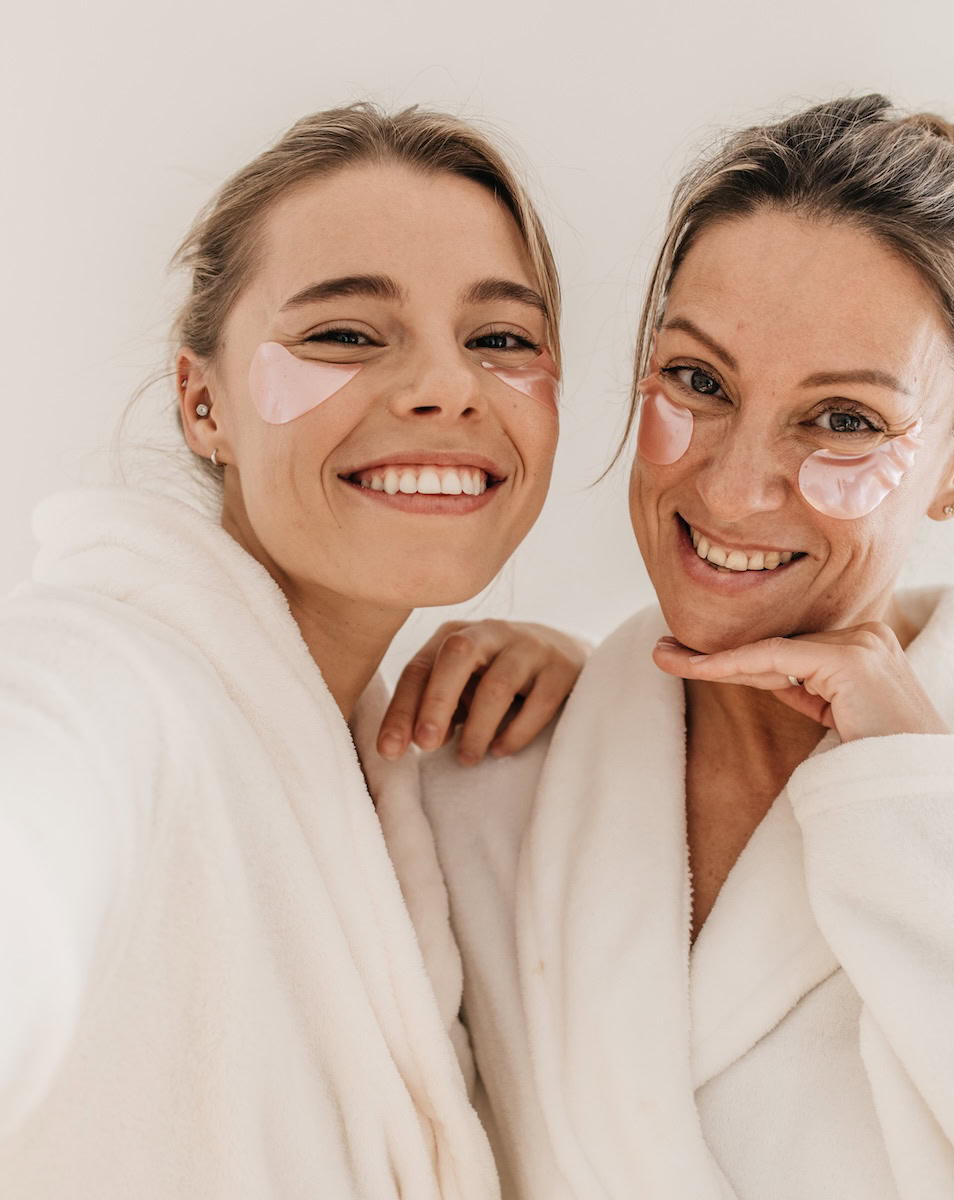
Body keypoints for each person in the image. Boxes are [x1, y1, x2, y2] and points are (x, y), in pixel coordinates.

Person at [401, 94, 954, 1198]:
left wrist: (922, 784)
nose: (731, 488)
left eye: (844, 421)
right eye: (698, 382)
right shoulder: (494, 773)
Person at [0, 102, 586, 1199]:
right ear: (202, 402)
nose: (445, 385)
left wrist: (606, 716)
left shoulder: (400, 763)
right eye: (345, 334)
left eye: (501, 340)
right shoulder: (104, 677)